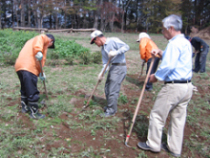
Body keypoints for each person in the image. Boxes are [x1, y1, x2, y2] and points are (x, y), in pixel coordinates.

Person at [137, 14, 193, 157]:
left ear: (171, 28)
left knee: (157, 115)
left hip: (173, 87)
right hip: (186, 87)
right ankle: (174, 148)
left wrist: (155, 77)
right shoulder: (185, 42)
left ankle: (153, 144)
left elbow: (168, 65)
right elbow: (177, 60)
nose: (162, 33)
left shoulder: (174, 44)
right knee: (178, 118)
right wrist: (161, 53)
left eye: (163, 30)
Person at [15, 34, 55, 119]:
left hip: (19, 66)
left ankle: (25, 108)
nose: (48, 46)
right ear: (51, 41)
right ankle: (34, 113)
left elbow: (38, 61)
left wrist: (41, 72)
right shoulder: (43, 38)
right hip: (29, 67)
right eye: (50, 45)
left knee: (25, 88)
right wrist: (39, 51)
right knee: (32, 90)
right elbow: (39, 45)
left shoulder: (30, 41)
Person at [90, 30, 129, 117]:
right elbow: (105, 64)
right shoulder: (103, 50)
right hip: (113, 68)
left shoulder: (113, 40)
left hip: (119, 67)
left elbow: (126, 47)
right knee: (107, 88)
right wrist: (101, 74)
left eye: (94, 41)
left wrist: (116, 52)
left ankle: (111, 111)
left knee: (112, 90)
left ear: (98, 38)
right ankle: (110, 106)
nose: (95, 44)